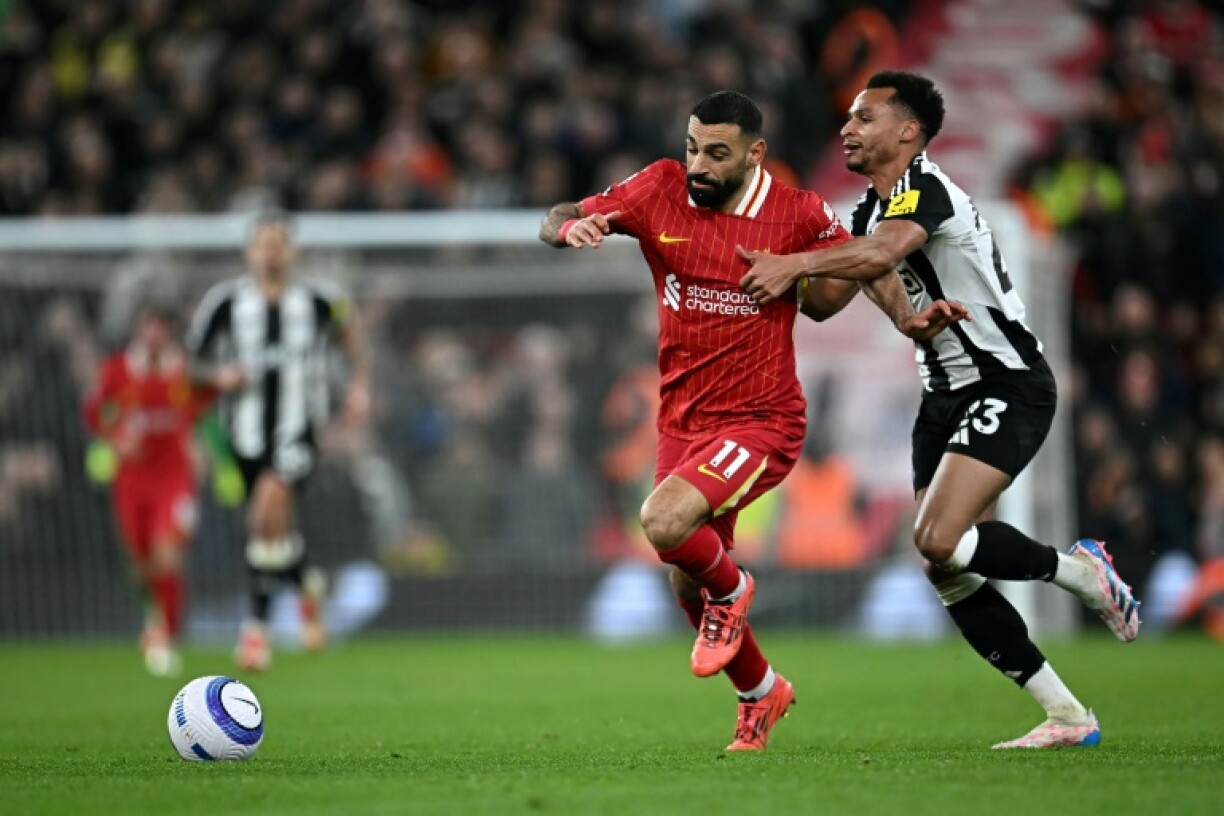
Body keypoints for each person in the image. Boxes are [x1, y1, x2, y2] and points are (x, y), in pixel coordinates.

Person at [540, 90, 962, 751]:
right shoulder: (657, 189)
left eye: (716, 153)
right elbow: (559, 214)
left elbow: (858, 261)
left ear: (753, 154)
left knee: (662, 521)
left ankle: (735, 591)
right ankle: (762, 694)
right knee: (684, 579)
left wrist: (904, 317)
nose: (698, 166)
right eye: (691, 149)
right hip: (682, 421)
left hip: (762, 419)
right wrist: (571, 229)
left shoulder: (794, 214)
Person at [738, 70, 1141, 749]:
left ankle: (1080, 572)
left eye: (865, 118)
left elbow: (885, 253)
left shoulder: (926, 190)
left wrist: (800, 261)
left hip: (1006, 383)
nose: (847, 128)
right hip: (944, 394)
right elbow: (829, 297)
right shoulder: (868, 214)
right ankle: (1068, 716)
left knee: (934, 538)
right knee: (944, 566)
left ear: (907, 131)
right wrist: (780, 272)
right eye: (848, 118)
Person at [186, 212, 371, 672]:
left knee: (266, 509)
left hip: (299, 428)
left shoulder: (320, 300)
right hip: (242, 432)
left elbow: (353, 340)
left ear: (292, 252)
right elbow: (189, 362)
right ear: (250, 252)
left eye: (279, 244)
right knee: (274, 529)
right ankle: (307, 582)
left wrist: (358, 388)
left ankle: (255, 633)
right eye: (263, 244)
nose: (271, 253)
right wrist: (218, 377)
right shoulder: (225, 302)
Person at [83, 304, 212, 676]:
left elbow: (206, 403)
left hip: (174, 479)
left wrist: (197, 441)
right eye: (147, 327)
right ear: (139, 331)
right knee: (140, 566)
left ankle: (165, 637)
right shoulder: (116, 370)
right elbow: (93, 412)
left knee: (167, 556)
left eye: (160, 328)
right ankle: (152, 617)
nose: (153, 335)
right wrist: (116, 438)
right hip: (132, 481)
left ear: (169, 333)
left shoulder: (186, 372)